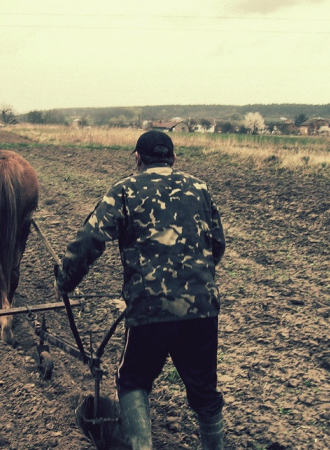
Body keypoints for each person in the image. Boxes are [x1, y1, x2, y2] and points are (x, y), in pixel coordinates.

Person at [54, 130, 226, 449]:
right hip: (202, 308)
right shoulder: (200, 189)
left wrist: (66, 280)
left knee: (133, 380)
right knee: (204, 391)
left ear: (138, 158)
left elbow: (90, 240)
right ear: (173, 158)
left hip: (150, 308)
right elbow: (217, 245)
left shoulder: (125, 189)